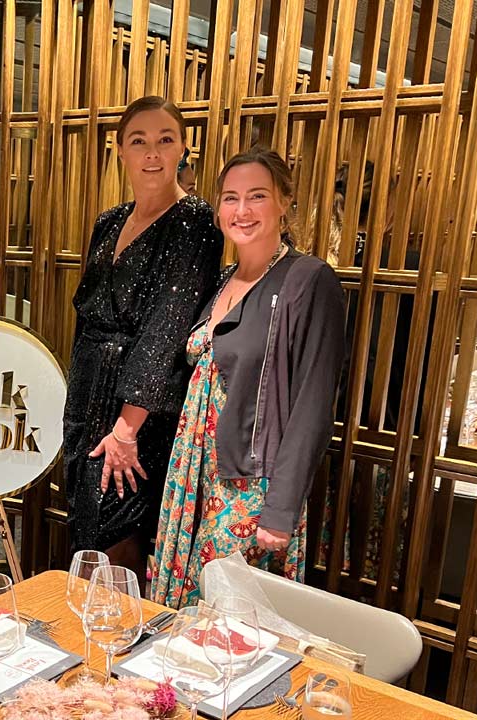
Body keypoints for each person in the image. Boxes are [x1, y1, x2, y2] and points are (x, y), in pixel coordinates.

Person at [149, 147, 347, 608]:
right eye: (231, 197)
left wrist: (280, 509)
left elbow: (314, 404)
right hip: (192, 471)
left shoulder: (308, 280)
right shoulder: (223, 280)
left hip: (249, 482)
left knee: (224, 615)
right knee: (181, 610)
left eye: (257, 196)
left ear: (284, 202)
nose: (242, 210)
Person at [64, 96, 223, 580]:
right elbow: (86, 315)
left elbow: (167, 330)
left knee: (121, 533)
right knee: (86, 529)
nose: (152, 153)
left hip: (137, 412)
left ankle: (115, 641)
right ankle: (85, 638)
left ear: (183, 149)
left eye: (164, 140)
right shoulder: (109, 222)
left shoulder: (196, 222)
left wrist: (127, 428)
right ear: (120, 151)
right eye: (139, 141)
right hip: (89, 394)